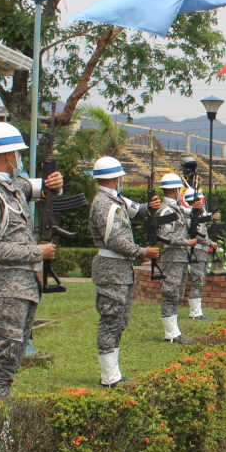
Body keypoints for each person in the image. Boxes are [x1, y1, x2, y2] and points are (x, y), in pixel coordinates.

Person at [0, 122, 63, 408]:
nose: (19, 159)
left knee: (9, 367)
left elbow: (43, 188)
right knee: (0, 367)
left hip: (21, 291)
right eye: (17, 154)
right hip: (4, 292)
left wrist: (54, 184)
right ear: (8, 156)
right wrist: (37, 252)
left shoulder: (10, 187)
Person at [88, 155, 160, 388]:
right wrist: (143, 252)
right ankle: (109, 376)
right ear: (114, 178)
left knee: (120, 319)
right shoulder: (104, 204)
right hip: (111, 269)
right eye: (121, 177)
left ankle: (114, 373)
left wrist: (151, 208)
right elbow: (116, 241)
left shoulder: (115, 199)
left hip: (120, 269)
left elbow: (137, 211)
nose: (122, 180)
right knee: (111, 318)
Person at [156, 173, 194, 344]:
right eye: (179, 189)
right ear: (174, 190)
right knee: (170, 292)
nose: (180, 192)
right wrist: (187, 241)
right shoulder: (166, 210)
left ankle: (174, 330)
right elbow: (164, 236)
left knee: (176, 293)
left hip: (180, 257)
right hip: (172, 256)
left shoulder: (175, 208)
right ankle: (171, 333)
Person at [184, 188, 219, 320]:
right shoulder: (190, 215)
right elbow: (199, 236)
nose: (201, 203)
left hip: (201, 251)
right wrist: (211, 244)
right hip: (197, 250)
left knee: (199, 280)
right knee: (197, 280)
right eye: (199, 200)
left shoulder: (197, 215)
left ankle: (197, 310)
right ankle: (195, 312)